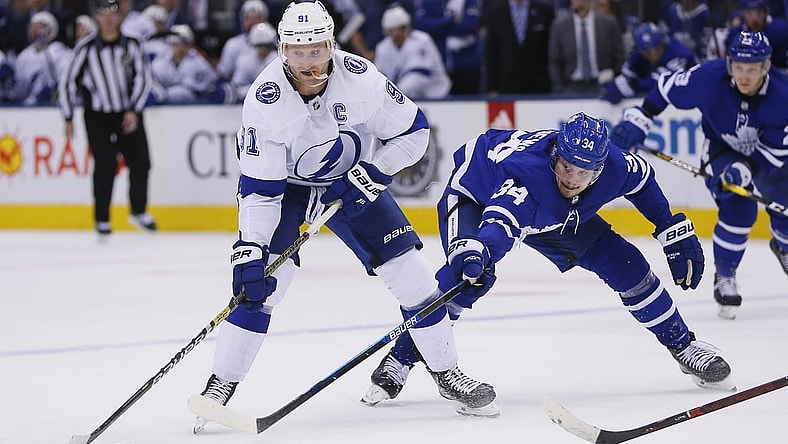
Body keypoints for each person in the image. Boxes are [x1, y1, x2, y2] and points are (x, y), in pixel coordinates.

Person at [190, 0, 497, 434]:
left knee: (415, 277)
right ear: (282, 51)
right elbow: (261, 190)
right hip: (288, 190)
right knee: (261, 286)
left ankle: (446, 372)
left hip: (353, 181)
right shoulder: (265, 100)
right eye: (299, 52)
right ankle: (220, 384)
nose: (309, 61)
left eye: (316, 50)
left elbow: (414, 132)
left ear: (331, 46)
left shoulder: (361, 79)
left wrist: (373, 173)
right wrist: (249, 248)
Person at [362, 112, 736, 408]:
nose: (573, 179)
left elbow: (644, 183)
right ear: (556, 154)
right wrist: (481, 252)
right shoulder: (530, 178)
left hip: (556, 215)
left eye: (585, 172)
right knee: (467, 278)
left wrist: (669, 226)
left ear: (601, 169)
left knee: (627, 264)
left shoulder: (615, 167)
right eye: (567, 166)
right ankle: (401, 359)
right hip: (475, 196)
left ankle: (684, 346)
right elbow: (499, 223)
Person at [610, 31, 788, 320]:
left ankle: (783, 245)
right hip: (721, 148)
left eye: (752, 69)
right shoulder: (708, 78)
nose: (744, 76)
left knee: (783, 207)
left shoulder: (784, 96)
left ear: (766, 67)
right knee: (738, 208)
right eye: (739, 67)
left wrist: (744, 171)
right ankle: (726, 277)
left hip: (770, 158)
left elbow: (777, 154)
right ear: (729, 64)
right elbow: (665, 87)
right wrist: (641, 116)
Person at [58, 0, 156, 240]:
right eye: (103, 13)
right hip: (98, 116)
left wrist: (134, 109)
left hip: (127, 112)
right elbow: (68, 82)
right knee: (105, 164)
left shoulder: (131, 44)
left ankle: (138, 210)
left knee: (141, 161)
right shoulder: (86, 48)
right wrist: (68, 116)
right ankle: (102, 218)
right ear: (96, 17)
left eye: (113, 13)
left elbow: (144, 78)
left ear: (120, 16)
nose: (109, 18)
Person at [601, 22, 699, 104]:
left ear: (662, 42)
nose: (653, 55)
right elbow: (618, 85)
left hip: (692, 97)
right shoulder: (637, 55)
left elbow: (661, 84)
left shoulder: (679, 53)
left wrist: (635, 84)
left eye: (657, 49)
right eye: (648, 52)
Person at [374, 5, 452, 99]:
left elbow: (418, 76)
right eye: (390, 30)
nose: (393, 33)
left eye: (397, 29)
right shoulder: (383, 47)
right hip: (404, 98)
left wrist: (393, 95)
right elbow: (379, 76)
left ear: (405, 28)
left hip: (437, 96)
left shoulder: (422, 41)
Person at [548, 0, 625, 94]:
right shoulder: (559, 26)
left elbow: (619, 56)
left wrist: (614, 81)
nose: (580, 1)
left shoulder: (609, 23)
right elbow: (554, 60)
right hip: (570, 86)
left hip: (603, 84)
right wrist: (559, 88)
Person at [482, 0, 555, 95]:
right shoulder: (496, 13)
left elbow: (552, 51)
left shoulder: (545, 11)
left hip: (539, 84)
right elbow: (491, 53)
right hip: (506, 85)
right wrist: (492, 87)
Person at [12, 11, 70, 106]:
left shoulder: (60, 52)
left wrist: (55, 89)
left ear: (51, 30)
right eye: (33, 26)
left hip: (54, 103)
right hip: (28, 105)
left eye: (40, 27)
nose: (35, 30)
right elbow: (19, 86)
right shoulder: (24, 55)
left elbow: (65, 78)